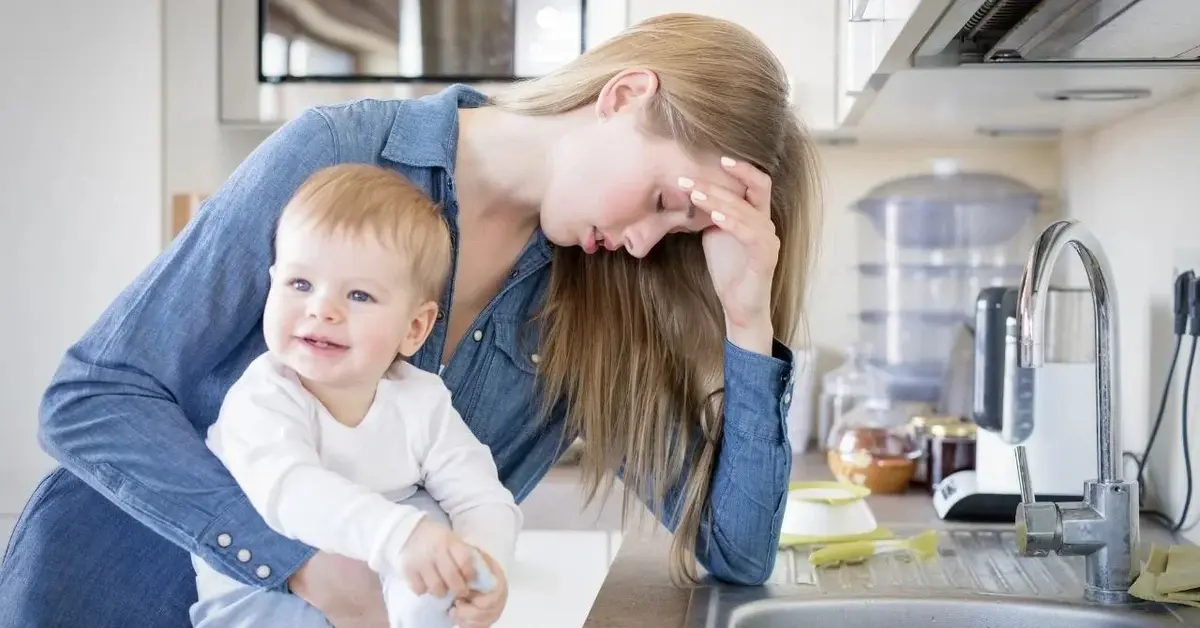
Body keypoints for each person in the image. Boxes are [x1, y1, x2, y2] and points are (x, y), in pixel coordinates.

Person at [0, 12, 821, 628]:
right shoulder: (338, 154)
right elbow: (93, 397)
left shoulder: (603, 304)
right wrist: (298, 567)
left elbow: (737, 553)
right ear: (625, 94)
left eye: (680, 231)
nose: (646, 243)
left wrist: (747, 318)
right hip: (101, 592)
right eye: (660, 202)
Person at [188, 163, 520, 628]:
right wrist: (400, 535)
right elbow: (291, 491)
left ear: (415, 328)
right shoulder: (263, 396)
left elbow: (482, 497)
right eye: (300, 284)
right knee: (419, 526)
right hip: (261, 595)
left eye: (360, 295)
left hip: (381, 582)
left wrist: (482, 568)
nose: (322, 308)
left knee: (439, 539)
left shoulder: (421, 402)